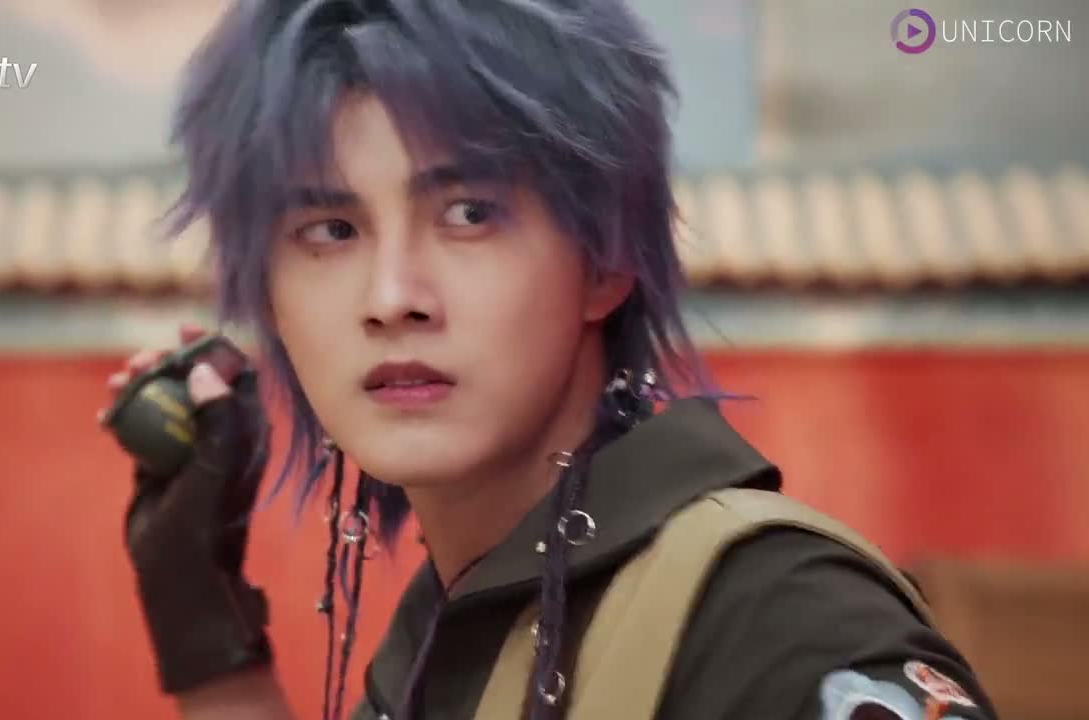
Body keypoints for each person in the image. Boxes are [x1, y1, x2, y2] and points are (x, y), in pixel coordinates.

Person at [100, 1, 1001, 718]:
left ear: (604, 259)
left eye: (469, 214)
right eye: (331, 229)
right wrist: (204, 623)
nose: (392, 296)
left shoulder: (777, 627)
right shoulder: (458, 620)